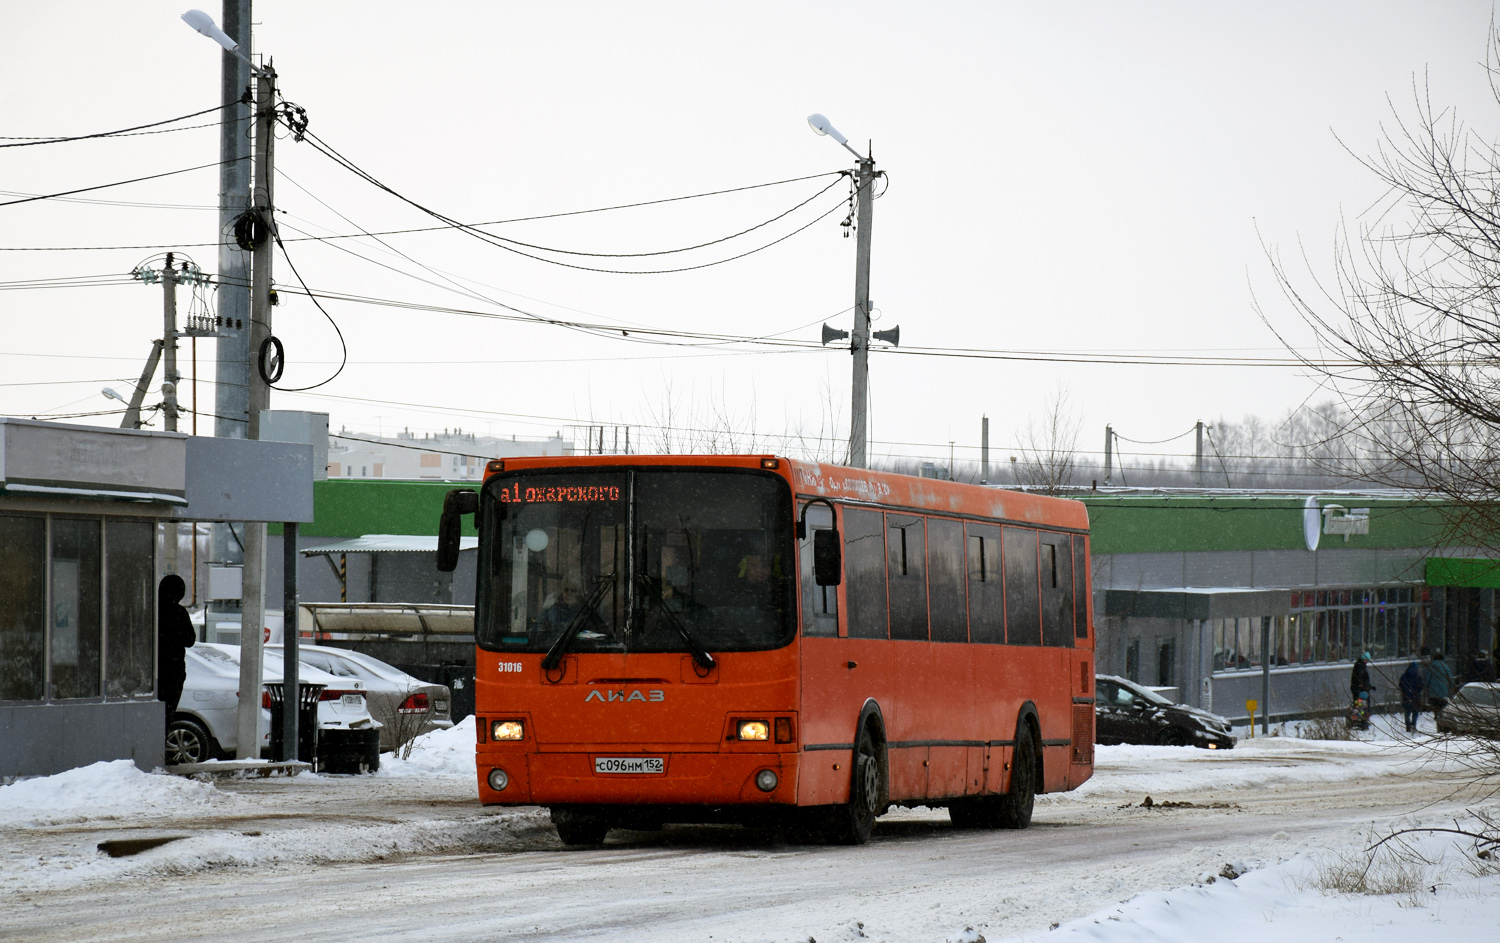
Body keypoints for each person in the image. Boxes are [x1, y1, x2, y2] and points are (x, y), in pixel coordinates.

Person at [156, 575, 196, 731]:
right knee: (167, 716)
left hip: (155, 671)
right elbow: (190, 640)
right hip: (174, 671)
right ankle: (161, 746)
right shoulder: (179, 612)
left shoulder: (153, 610)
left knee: (156, 717)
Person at [1425, 650, 1456, 723]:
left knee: (1435, 702)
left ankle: (1436, 713)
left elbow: (1427, 678)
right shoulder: (1445, 666)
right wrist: (1452, 686)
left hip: (1433, 689)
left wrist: (1426, 686)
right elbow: (1450, 677)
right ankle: (1440, 714)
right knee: (1442, 703)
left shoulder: (1431, 667)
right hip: (1443, 688)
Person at [1349, 651, 1373, 731]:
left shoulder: (1359, 665)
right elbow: (1361, 680)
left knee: (1359, 706)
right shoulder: (1360, 667)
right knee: (1362, 706)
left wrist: (1369, 686)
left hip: (1358, 689)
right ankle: (1362, 722)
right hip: (1360, 690)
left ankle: (1359, 721)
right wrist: (1365, 687)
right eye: (1367, 660)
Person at [1398, 660, 1424, 733]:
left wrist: (1405, 691)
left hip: (1406, 697)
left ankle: (1408, 725)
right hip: (1416, 697)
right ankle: (1413, 724)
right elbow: (1421, 686)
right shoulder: (1418, 676)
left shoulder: (1404, 675)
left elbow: (1400, 685)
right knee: (1415, 711)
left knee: (1407, 712)